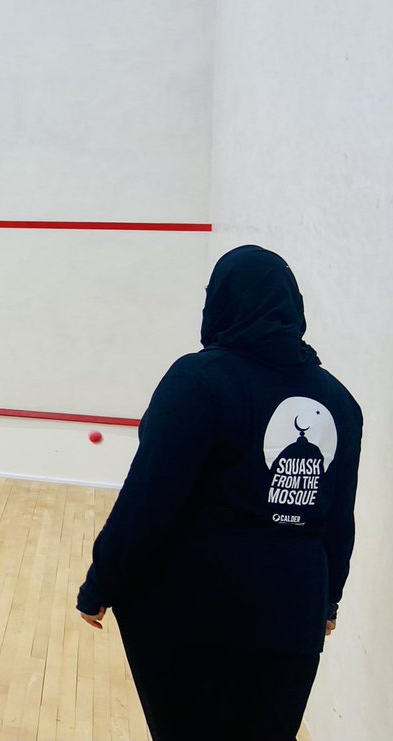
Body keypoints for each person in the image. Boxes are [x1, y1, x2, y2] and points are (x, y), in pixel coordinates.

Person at [76, 245, 363, 739]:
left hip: (197, 619)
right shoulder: (339, 401)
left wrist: (101, 584)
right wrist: (328, 602)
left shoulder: (197, 381)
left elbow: (149, 501)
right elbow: (338, 520)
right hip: (293, 616)